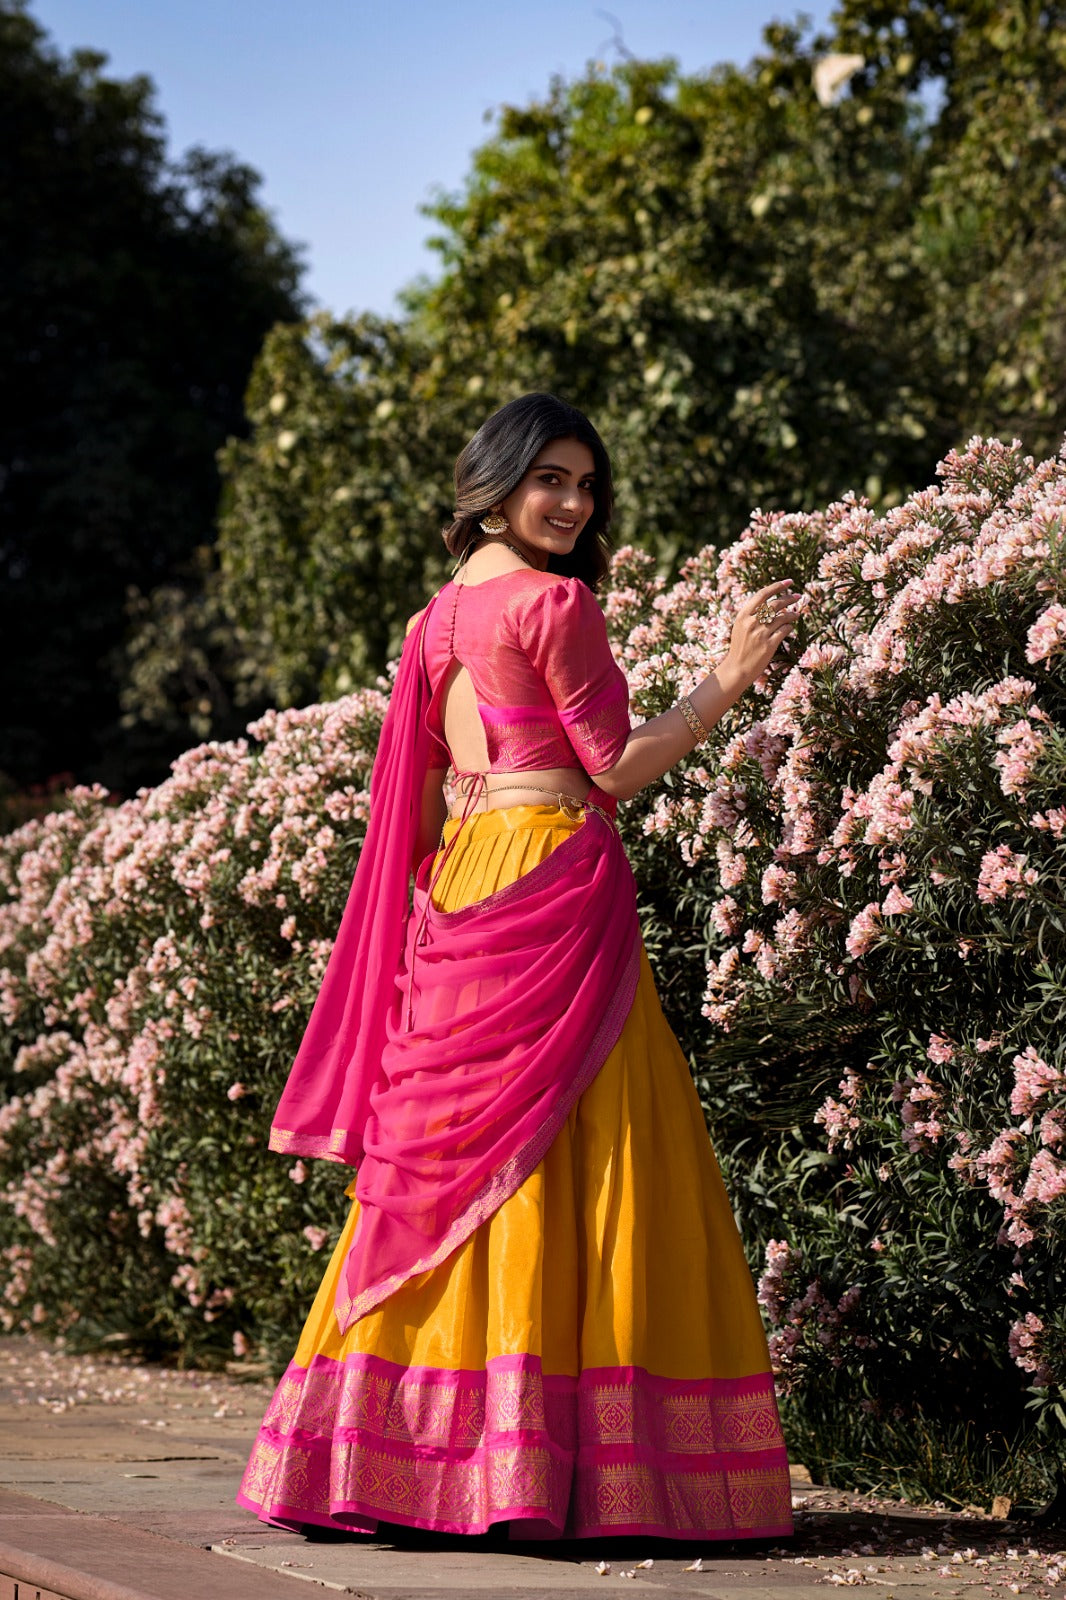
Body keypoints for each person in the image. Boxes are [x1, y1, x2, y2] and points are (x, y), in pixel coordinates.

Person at [238, 392, 799, 1542]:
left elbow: (437, 786)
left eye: (586, 484)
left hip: (465, 881)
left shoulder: (432, 621)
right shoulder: (556, 604)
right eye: (551, 478)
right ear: (494, 480)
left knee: (446, 1158)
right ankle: (567, 1471)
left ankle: (399, 1457)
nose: (574, 502)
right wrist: (727, 680)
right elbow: (615, 765)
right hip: (550, 874)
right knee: (593, 1148)